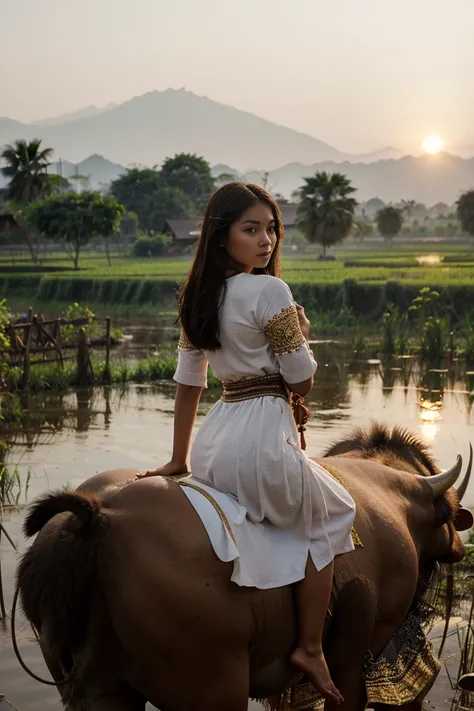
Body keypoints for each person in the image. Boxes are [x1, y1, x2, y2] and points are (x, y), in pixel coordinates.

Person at [142, 182, 356, 704]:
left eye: (271, 228)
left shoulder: (198, 297)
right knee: (336, 512)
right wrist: (300, 333)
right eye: (251, 229)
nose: (266, 240)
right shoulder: (270, 293)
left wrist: (179, 458)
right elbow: (301, 380)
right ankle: (309, 645)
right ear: (222, 238)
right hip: (260, 439)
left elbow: (190, 380)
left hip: (218, 440)